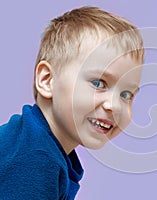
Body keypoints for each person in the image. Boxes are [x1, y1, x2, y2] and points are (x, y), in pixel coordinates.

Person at [0, 6, 144, 199]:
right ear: (47, 80)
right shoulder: (34, 158)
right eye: (98, 83)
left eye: (126, 94)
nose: (115, 105)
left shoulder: (40, 144)